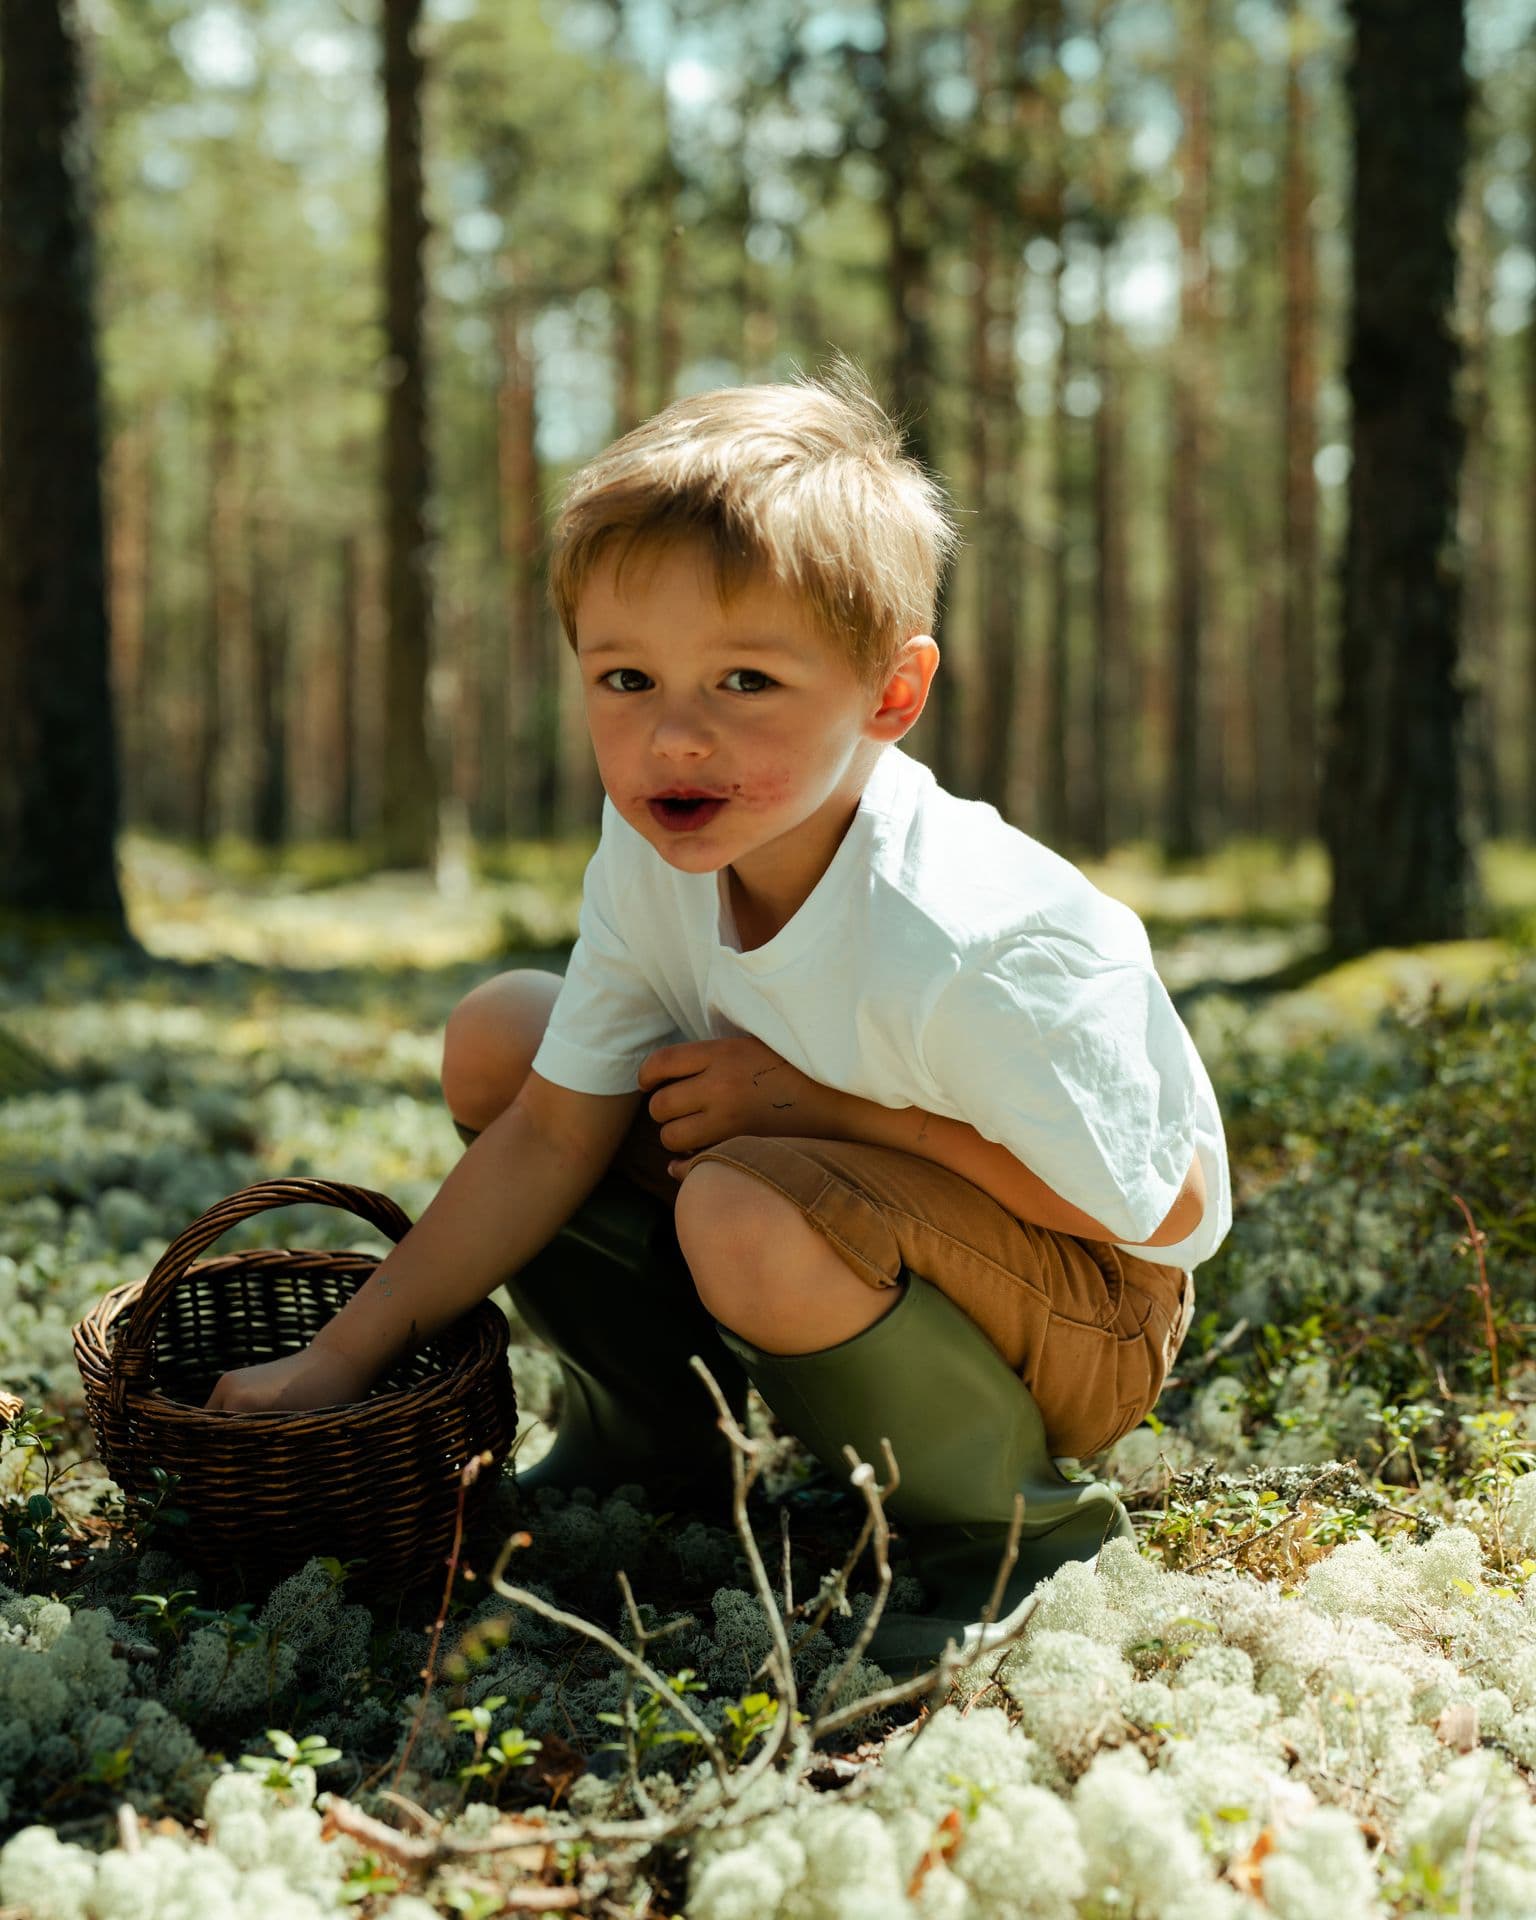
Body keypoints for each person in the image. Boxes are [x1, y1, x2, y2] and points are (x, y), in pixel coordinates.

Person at [206, 357, 1231, 1675]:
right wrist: (339, 1360)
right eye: (625, 680)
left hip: (1085, 1311)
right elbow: (550, 1133)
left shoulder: (967, 938)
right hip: (834, 1201)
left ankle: (1006, 1528)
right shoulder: (654, 856)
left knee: (738, 1201)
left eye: (745, 681)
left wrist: (816, 1110)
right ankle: (658, 1449)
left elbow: (1158, 1216)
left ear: (890, 696)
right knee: (506, 1040)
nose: (673, 740)